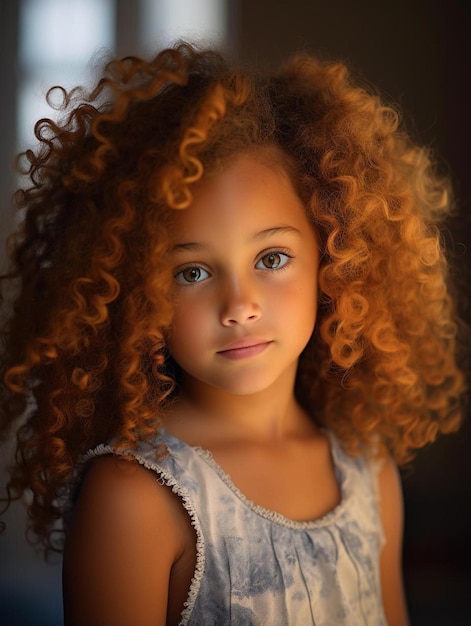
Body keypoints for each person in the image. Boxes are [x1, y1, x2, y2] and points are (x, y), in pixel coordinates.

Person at [0, 42, 465, 626]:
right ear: (134, 291)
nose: (239, 306)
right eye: (192, 272)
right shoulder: (133, 496)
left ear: (336, 257)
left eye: (271, 258)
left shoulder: (367, 470)